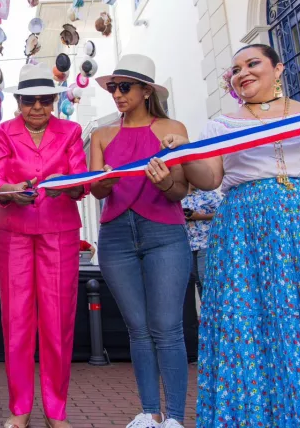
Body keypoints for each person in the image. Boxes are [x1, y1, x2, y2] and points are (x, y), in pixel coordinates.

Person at [163, 44, 300, 427]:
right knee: (251, 324)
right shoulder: (221, 126)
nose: (242, 73)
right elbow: (209, 178)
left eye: (252, 63)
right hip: (245, 235)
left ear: (279, 68)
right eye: (235, 70)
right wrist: (184, 154)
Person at [90, 55, 191, 428]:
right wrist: (103, 182)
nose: (116, 93)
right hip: (116, 235)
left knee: (167, 326)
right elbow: (95, 189)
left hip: (164, 231)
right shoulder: (100, 135)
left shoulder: (172, 128)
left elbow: (180, 189)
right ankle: (149, 412)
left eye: (124, 86)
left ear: (146, 90)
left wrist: (165, 182)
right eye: (112, 87)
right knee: (138, 327)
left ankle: (175, 417)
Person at [0, 63, 88, 428]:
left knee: (58, 321)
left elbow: (83, 182)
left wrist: (70, 185)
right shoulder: (2, 133)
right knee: (17, 321)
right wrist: (10, 191)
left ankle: (56, 411)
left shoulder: (72, 131)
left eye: (45, 101)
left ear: (54, 101)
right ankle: (20, 409)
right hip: (14, 232)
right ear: (18, 101)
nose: (38, 108)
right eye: (30, 101)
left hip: (59, 231)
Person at [181, 184, 221, 293]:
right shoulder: (179, 195)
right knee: (197, 281)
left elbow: (222, 212)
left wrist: (199, 216)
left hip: (206, 242)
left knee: (205, 278)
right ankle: (203, 308)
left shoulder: (208, 194)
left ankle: (211, 307)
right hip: (188, 245)